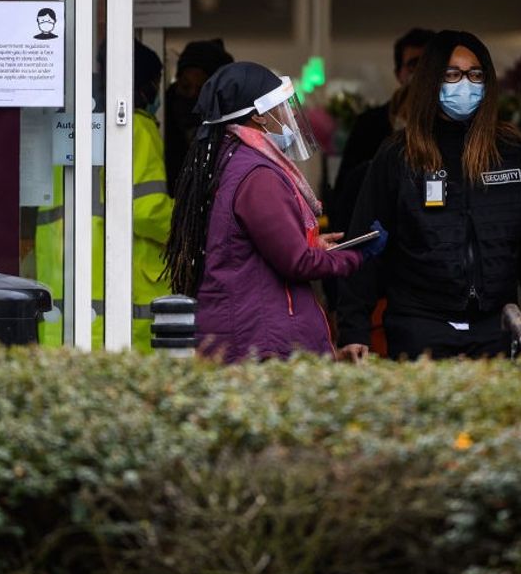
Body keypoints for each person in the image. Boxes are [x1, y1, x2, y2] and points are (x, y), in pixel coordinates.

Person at [336, 30, 521, 360]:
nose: (465, 84)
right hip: (419, 328)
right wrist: (353, 329)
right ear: (430, 80)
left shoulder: (513, 152)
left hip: (496, 329)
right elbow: (366, 246)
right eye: (452, 74)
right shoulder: (400, 155)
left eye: (475, 74)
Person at [163, 61, 386, 363]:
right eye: (282, 106)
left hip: (249, 335)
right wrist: (356, 256)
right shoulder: (257, 174)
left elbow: (257, 252)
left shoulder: (235, 161)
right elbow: (297, 263)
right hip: (260, 343)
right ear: (258, 117)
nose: (292, 114)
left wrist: (315, 246)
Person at [36, 40, 174, 350]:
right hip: (119, 304)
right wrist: (193, 225)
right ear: (143, 86)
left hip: (64, 295)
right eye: (156, 84)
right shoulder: (135, 127)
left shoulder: (69, 128)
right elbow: (148, 210)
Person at [335, 27, 433, 184]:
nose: (422, 72)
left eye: (428, 63)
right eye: (413, 64)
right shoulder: (369, 125)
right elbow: (346, 188)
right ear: (398, 74)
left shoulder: (452, 122)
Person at [163, 38, 234, 193]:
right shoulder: (161, 118)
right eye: (185, 86)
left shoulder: (229, 129)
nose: (192, 95)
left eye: (201, 89)